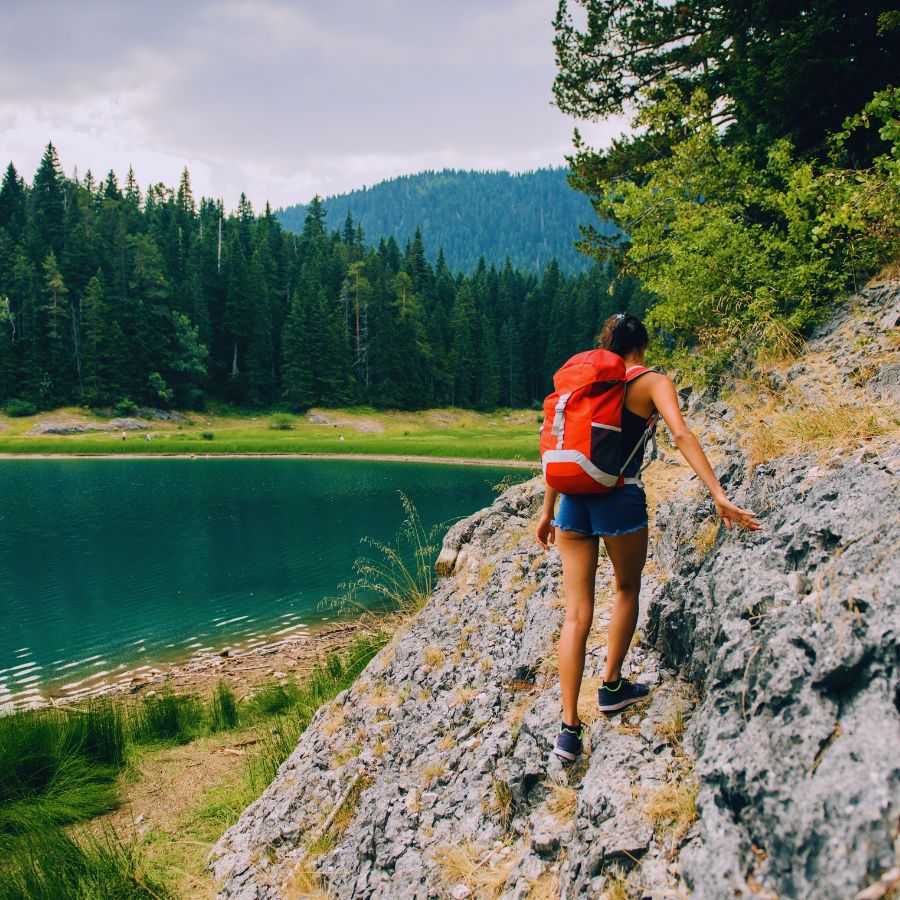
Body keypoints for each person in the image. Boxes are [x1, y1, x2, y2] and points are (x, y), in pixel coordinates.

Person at [535, 312, 761, 762]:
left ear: (606, 344)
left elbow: (563, 445)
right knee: (626, 588)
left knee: (577, 613)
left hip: (571, 501)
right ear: (642, 347)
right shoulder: (650, 382)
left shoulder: (583, 384)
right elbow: (679, 432)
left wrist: (547, 512)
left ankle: (568, 729)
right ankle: (613, 686)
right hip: (619, 497)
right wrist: (718, 493)